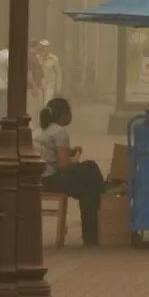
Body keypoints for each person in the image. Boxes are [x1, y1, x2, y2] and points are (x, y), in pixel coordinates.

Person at [34, 96, 106, 246]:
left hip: (38, 178)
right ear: (63, 114)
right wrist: (74, 161)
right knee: (90, 180)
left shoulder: (39, 130)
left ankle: (101, 192)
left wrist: (70, 153)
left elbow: (52, 154)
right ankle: (91, 235)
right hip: (51, 180)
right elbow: (63, 165)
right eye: (69, 112)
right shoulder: (60, 132)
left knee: (89, 171)